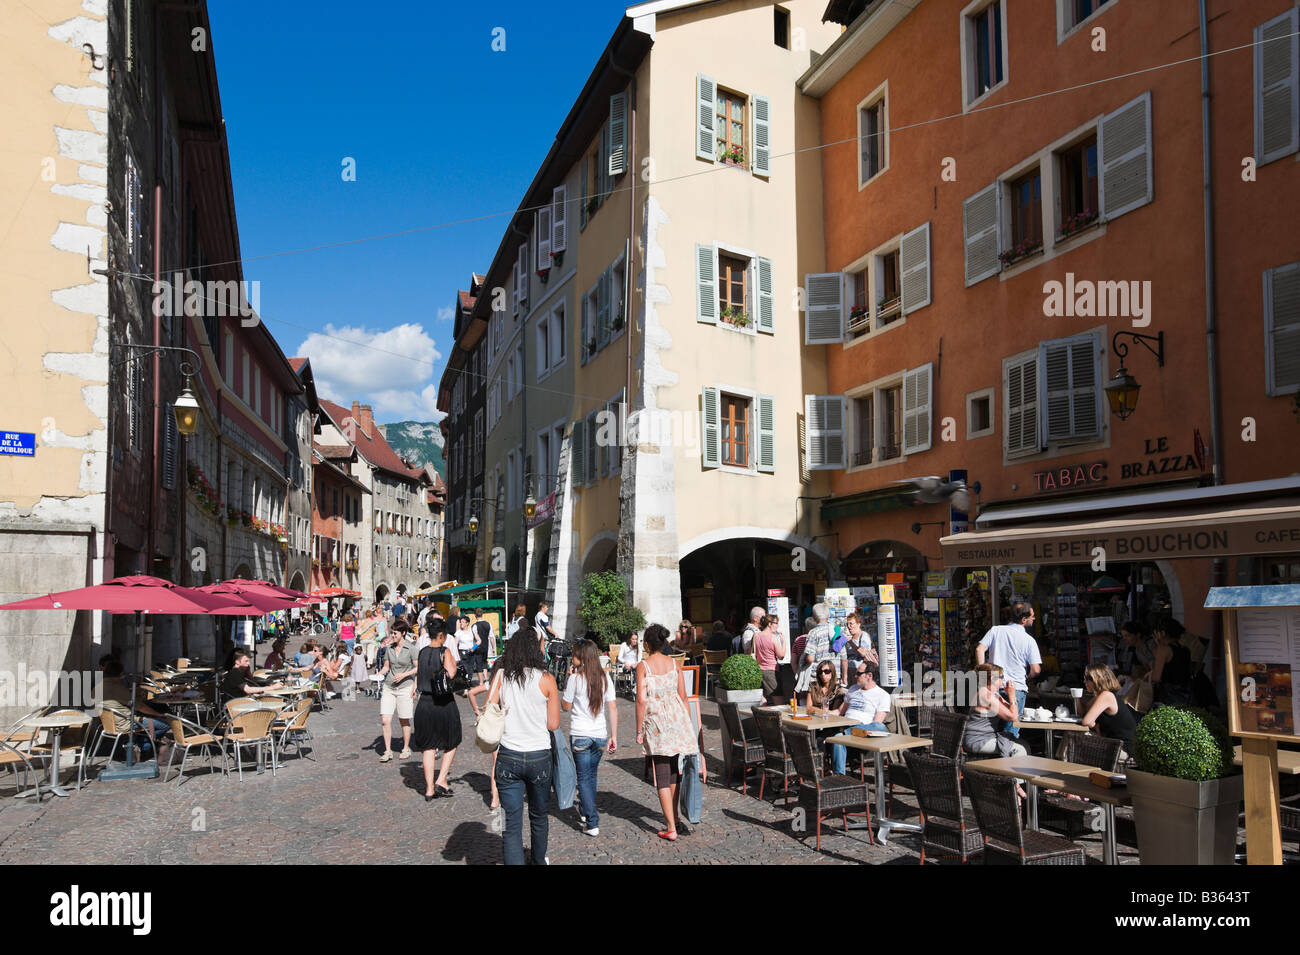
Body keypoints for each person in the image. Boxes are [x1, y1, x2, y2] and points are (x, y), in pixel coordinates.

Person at [490, 625, 561, 865]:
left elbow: (490, 708)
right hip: (539, 755)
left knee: (511, 822)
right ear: (535, 649)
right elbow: (553, 724)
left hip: (509, 754)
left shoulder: (503, 677)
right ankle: (539, 860)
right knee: (539, 817)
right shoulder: (547, 679)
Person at [636, 623, 699, 842]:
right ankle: (676, 819)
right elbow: (683, 696)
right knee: (674, 770)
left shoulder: (644, 666)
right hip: (677, 719)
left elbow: (641, 700)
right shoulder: (674, 664)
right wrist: (687, 725)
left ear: (646, 644)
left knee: (661, 772)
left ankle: (671, 825)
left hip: (656, 722)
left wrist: (639, 729)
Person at [562, 639, 618, 837]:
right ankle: (586, 811)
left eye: (574, 655)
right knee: (591, 776)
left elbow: (565, 706)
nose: (572, 658)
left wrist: (570, 678)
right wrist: (614, 736)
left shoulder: (575, 679)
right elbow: (612, 706)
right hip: (599, 735)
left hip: (580, 735)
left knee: (584, 779)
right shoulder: (605, 678)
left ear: (582, 657)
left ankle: (592, 821)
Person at [974, 600, 1042, 738]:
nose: (1034, 619)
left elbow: (979, 649)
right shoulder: (1029, 640)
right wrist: (1028, 678)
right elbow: (1036, 670)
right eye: (1032, 616)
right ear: (1023, 619)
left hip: (993, 686)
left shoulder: (996, 630)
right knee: (1010, 731)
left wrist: (984, 675)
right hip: (1016, 688)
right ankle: (1008, 756)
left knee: (989, 728)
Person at [414, 623, 461, 800]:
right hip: (443, 703)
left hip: (424, 703)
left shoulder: (422, 651)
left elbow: (420, 674)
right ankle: (441, 779)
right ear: (441, 635)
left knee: (428, 746)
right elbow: (451, 672)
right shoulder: (444, 651)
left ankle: (428, 789)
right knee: (453, 739)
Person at [830, 661, 891, 775]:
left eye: (858, 673)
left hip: (863, 732)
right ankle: (839, 777)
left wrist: (853, 731)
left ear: (869, 676)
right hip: (846, 727)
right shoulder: (853, 689)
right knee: (838, 739)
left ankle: (847, 733)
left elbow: (876, 724)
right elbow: (839, 711)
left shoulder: (883, 695)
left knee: (880, 726)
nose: (855, 676)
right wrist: (824, 713)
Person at [964, 663, 1028, 759]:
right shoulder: (986, 695)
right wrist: (1012, 695)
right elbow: (1013, 717)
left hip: (987, 736)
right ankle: (1009, 774)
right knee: (1020, 750)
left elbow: (1012, 710)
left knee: (1024, 744)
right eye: (1001, 676)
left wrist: (1010, 694)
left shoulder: (993, 694)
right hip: (977, 740)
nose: (1003, 679)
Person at [377, 620, 418, 762]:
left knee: (404, 720)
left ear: (403, 633)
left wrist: (406, 676)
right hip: (389, 686)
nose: (392, 635)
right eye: (392, 632)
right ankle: (387, 751)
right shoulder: (389, 649)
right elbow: (386, 667)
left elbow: (418, 667)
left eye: (395, 633)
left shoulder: (411, 648)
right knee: (385, 720)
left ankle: (406, 748)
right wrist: (379, 674)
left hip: (405, 686)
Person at [1081, 663, 1137, 757]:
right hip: (1113, 743)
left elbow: (1086, 721)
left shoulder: (1106, 695)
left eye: (1087, 678)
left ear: (1097, 679)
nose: (1084, 681)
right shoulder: (1100, 695)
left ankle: (1064, 765)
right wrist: (1076, 698)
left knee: (1077, 738)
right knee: (1073, 736)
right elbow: (1083, 712)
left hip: (1123, 748)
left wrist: (1095, 726)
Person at [796, 603, 845, 694]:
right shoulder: (837, 631)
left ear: (814, 617)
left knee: (817, 705)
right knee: (833, 703)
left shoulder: (813, 633)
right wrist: (844, 677)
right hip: (835, 675)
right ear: (828, 615)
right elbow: (844, 658)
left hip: (818, 677)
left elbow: (810, 658)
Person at [1151, 616, 1195, 706]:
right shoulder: (1185, 649)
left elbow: (1156, 677)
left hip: (1168, 697)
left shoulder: (1164, 650)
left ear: (1162, 633)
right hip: (1186, 694)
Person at [752, 614, 787, 703]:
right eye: (776, 623)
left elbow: (753, 653)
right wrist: (783, 641)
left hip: (759, 670)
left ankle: (761, 716)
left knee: (763, 700)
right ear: (769, 624)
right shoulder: (773, 637)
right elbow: (781, 656)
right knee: (778, 700)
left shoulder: (756, 636)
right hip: (771, 671)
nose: (777, 625)